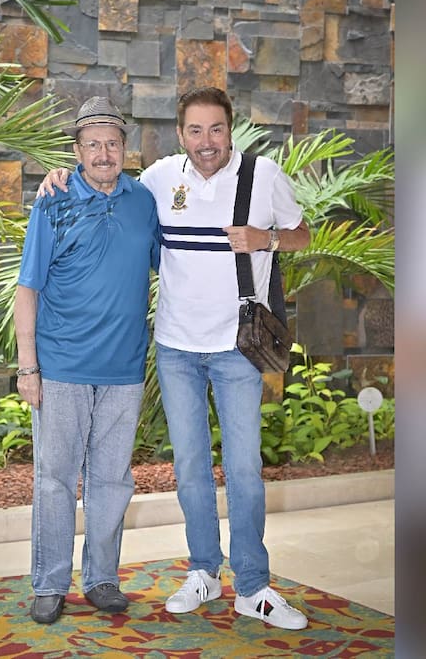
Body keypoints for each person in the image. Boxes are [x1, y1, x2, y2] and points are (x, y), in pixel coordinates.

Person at [39, 87, 312, 629]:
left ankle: (252, 585)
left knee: (244, 469)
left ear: (230, 129)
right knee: (189, 468)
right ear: (180, 134)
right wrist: (59, 176)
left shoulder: (263, 176)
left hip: (238, 347)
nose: (206, 141)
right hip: (176, 349)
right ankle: (204, 571)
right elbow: (106, 182)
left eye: (216, 129)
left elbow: (303, 235)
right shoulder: (160, 179)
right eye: (195, 130)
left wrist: (267, 238)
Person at [14, 96, 160, 625]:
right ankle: (50, 583)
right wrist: (27, 367)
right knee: (55, 478)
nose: (103, 154)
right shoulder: (53, 200)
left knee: (112, 479)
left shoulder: (144, 202)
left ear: (125, 149)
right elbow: (27, 288)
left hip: (124, 368)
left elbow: (173, 264)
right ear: (77, 152)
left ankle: (101, 579)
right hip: (61, 366)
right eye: (93, 144)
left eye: (112, 144)